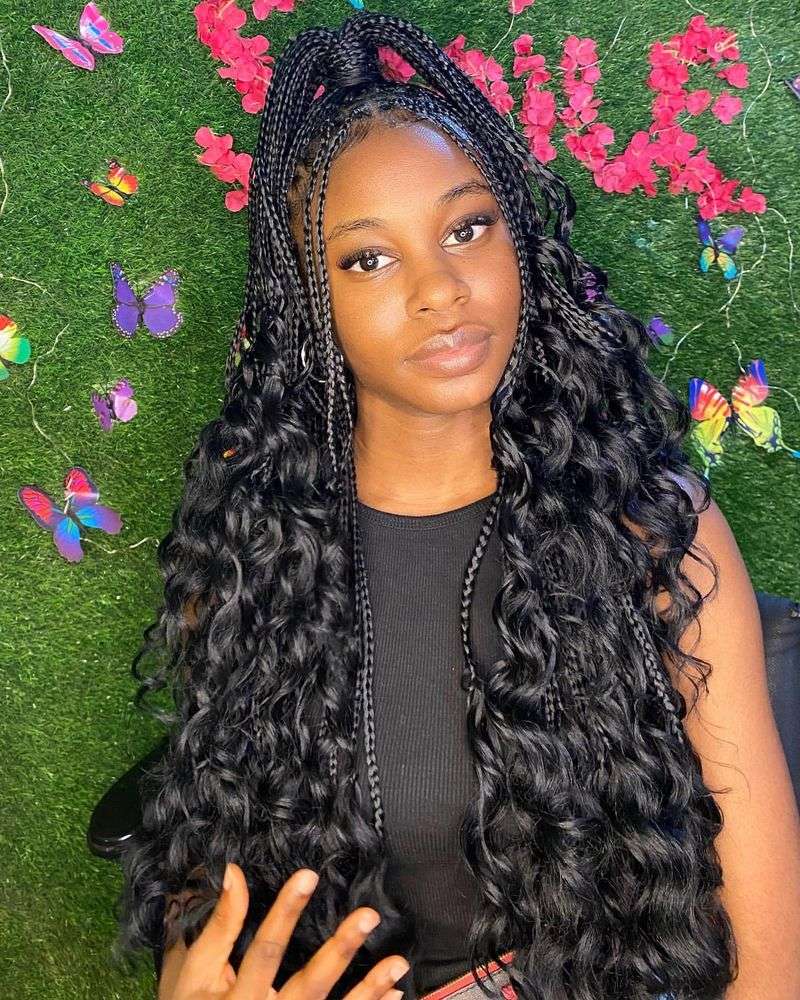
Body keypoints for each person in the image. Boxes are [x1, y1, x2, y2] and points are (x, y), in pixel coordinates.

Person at [112, 10, 800, 1000]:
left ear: (516, 237)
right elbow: (216, 852)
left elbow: (769, 969)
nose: (440, 288)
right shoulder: (256, 545)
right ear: (310, 302)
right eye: (368, 258)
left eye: (466, 228)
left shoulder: (647, 525)